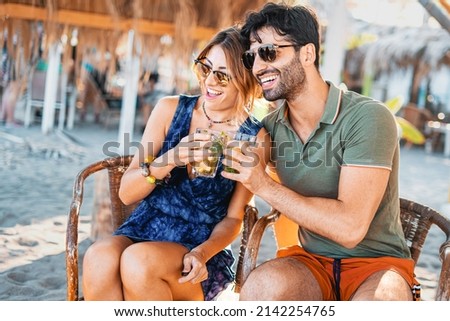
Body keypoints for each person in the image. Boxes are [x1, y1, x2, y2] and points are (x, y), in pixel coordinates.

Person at [221, 2, 420, 301]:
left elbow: (350, 229)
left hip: (377, 264)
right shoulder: (269, 129)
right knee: (261, 289)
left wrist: (262, 184)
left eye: (269, 52)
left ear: (308, 54)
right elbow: (226, 191)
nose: (259, 66)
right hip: (311, 261)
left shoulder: (368, 117)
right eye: (252, 57)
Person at [82, 26, 269, 301]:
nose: (209, 82)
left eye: (222, 75)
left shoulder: (253, 138)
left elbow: (233, 218)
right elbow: (126, 193)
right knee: (98, 257)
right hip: (145, 227)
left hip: (197, 249)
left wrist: (202, 253)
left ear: (245, 80)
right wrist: (170, 159)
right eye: (205, 69)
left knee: (138, 261)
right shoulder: (170, 110)